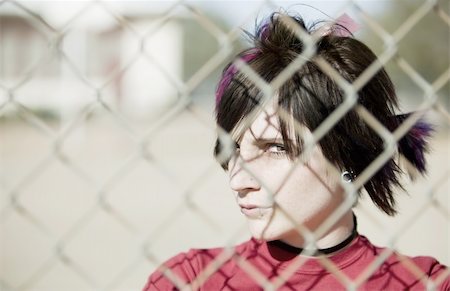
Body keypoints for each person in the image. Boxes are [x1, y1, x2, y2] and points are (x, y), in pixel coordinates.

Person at [143, 11, 449, 290]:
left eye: (274, 148)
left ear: (347, 155)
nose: (238, 180)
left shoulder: (425, 283)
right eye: (236, 148)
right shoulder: (188, 280)